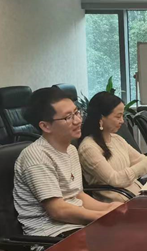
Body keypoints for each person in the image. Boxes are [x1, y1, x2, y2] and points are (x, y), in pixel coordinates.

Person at [14, 86, 120, 237]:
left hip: (76, 225)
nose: (78, 120)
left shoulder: (71, 149)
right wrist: (101, 216)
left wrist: (109, 207)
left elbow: (77, 195)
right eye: (68, 117)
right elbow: (58, 211)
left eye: (76, 112)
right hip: (52, 234)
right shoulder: (37, 156)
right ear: (45, 126)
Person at [78, 92, 147, 202]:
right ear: (101, 118)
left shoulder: (117, 139)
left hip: (135, 195)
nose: (122, 121)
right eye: (118, 116)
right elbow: (116, 179)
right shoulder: (88, 148)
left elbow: (141, 162)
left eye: (122, 115)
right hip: (117, 203)